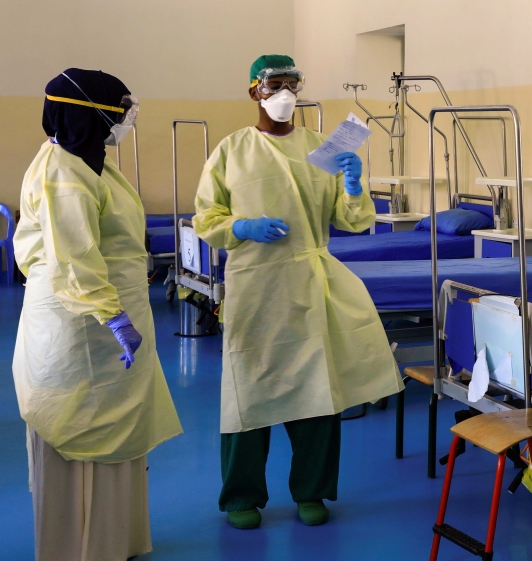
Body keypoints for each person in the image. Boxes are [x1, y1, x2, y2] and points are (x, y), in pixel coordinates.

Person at [193, 54, 403, 530]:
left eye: (292, 84)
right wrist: (241, 226)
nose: (285, 93)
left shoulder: (322, 150)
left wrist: (353, 185)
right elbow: (206, 219)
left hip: (309, 283)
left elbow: (353, 220)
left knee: (317, 392)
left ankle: (312, 493)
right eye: (275, 84)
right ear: (254, 92)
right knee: (248, 391)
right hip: (255, 288)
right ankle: (241, 496)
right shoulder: (231, 150)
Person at [12, 68, 183, 561]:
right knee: (77, 428)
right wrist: (113, 316)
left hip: (103, 312)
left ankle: (113, 540)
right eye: (117, 112)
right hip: (78, 321)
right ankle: (75, 547)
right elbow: (75, 258)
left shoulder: (90, 162)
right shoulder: (63, 171)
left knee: (114, 429)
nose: (123, 122)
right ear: (88, 114)